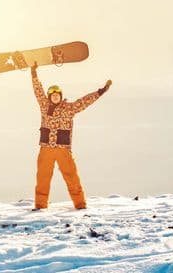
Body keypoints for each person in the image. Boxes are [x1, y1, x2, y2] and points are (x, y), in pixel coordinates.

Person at [30, 61, 112, 210]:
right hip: (46, 149)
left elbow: (84, 102)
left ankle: (80, 205)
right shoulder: (44, 106)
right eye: (53, 95)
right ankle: (40, 206)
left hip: (63, 149)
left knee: (71, 177)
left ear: (60, 96)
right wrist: (34, 73)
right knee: (42, 178)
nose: (55, 97)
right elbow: (38, 91)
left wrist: (100, 92)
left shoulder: (69, 109)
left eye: (57, 95)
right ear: (49, 97)